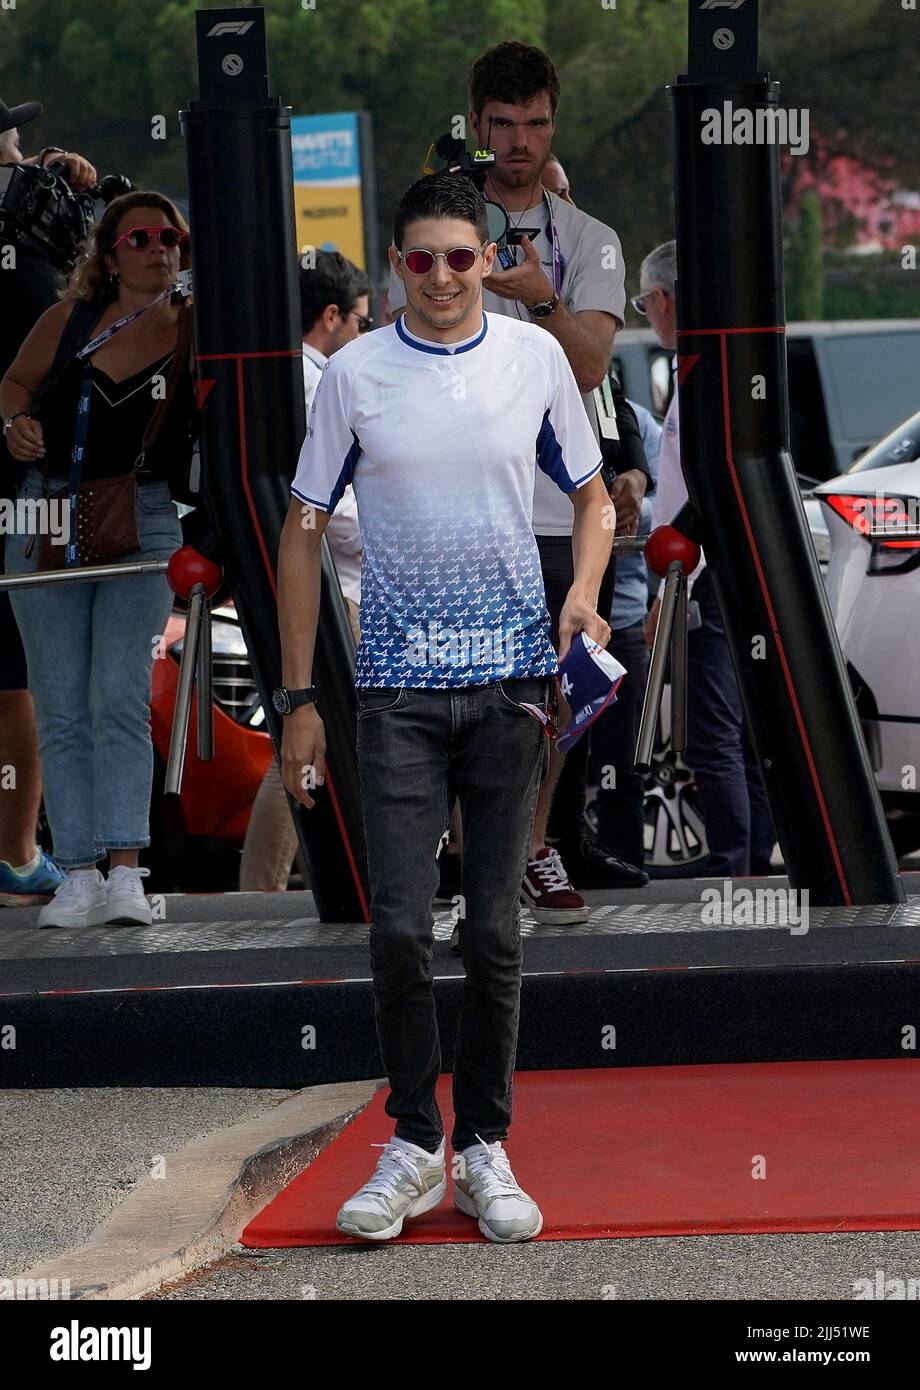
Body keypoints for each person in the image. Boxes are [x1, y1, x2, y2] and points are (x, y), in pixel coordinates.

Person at [277, 172, 613, 1242]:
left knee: (498, 932)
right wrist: (296, 696)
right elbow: (299, 527)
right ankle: (414, 1138)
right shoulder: (355, 375)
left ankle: (484, 1147)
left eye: (459, 258)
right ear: (394, 266)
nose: (439, 279)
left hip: (513, 685)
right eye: (417, 260)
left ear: (485, 259)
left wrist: (583, 594)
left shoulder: (534, 360)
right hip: (395, 693)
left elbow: (595, 498)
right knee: (396, 928)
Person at [388, 43, 650, 925]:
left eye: (535, 123)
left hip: (561, 505)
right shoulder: (444, 224)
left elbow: (586, 367)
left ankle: (532, 844)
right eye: (502, 124)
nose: (519, 141)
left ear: (554, 122)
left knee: (557, 693)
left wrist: (539, 298)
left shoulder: (590, 240)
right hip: (456, 504)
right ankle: (470, 858)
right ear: (476, 125)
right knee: (464, 690)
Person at [1, 191, 196, 927]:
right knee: (58, 698)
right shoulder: (70, 318)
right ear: (109, 255)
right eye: (140, 238)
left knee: (118, 694)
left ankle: (125, 870)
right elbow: (15, 384)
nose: (158, 249)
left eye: (170, 237)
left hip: (142, 515)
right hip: (42, 510)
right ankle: (76, 869)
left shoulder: (192, 328)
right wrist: (15, 423)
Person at [639, 240, 774, 876]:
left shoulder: (702, 377)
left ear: (665, 300)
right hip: (714, 572)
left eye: (644, 304)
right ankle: (742, 857)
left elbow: (705, 491)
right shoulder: (708, 370)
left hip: (701, 577)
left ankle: (733, 865)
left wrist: (675, 578)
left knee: (716, 733)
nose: (647, 316)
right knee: (738, 732)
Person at [239, 250, 371, 893]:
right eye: (360, 321)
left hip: (308, 580)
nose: (364, 335)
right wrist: (387, 545)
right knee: (306, 746)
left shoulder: (279, 374)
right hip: (333, 587)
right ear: (330, 317)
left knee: (307, 744)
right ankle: (261, 889)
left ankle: (267, 889)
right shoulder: (319, 382)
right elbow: (332, 502)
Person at [0, 96, 98, 906]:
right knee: (29, 667)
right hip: (31, 492)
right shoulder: (36, 247)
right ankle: (20, 849)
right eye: (16, 150)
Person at [589, 403, 661, 869]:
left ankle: (622, 856)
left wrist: (630, 504)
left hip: (624, 612)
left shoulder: (634, 419)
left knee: (622, 756)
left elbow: (669, 502)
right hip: (551, 611)